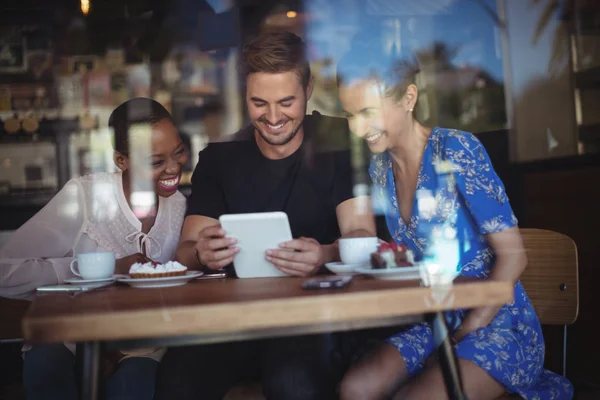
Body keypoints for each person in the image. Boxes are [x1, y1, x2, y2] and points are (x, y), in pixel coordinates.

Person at [335, 34, 574, 399]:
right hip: (437, 319)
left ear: (409, 98)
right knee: (355, 388)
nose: (357, 127)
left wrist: (468, 330)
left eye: (368, 112)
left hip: (495, 321)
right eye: (350, 114)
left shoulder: (456, 149)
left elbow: (515, 256)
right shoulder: (380, 168)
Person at [154, 31, 376, 400]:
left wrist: (325, 253)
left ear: (308, 88)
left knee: (292, 381)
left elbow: (361, 235)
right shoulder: (219, 158)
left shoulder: (340, 141)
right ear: (244, 95)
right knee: (178, 379)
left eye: (286, 102)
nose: (273, 117)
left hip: (316, 318)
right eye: (259, 103)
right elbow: (187, 250)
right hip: (234, 322)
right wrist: (202, 253)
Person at [0, 98, 189, 399]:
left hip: (141, 344)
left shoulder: (181, 207)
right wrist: (100, 268)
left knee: (134, 385)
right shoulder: (85, 197)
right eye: (156, 161)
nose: (174, 168)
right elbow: (5, 272)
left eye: (178, 152)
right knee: (46, 366)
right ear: (121, 160)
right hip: (71, 337)